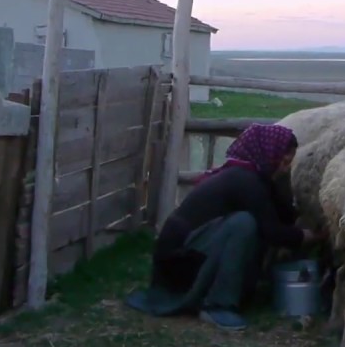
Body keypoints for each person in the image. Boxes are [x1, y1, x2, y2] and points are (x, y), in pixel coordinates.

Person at [124, 123, 323, 331]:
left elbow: (280, 214)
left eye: (289, 159)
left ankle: (235, 291)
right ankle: (217, 304)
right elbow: (272, 231)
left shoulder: (253, 177)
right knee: (243, 224)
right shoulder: (244, 181)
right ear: (267, 151)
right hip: (177, 260)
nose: (286, 164)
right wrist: (311, 235)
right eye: (283, 157)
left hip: (189, 252)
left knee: (247, 222)